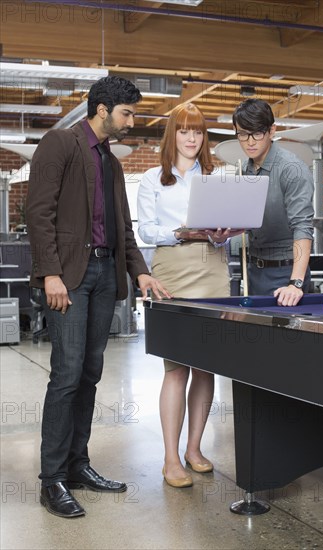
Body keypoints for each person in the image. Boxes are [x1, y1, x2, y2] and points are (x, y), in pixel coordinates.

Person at [26, 76, 170, 518]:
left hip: (107, 273)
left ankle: (77, 465)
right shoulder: (60, 144)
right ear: (103, 108)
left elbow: (123, 227)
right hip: (70, 275)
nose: (132, 121)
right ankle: (52, 480)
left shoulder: (112, 163)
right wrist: (51, 272)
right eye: (127, 113)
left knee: (89, 373)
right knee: (66, 374)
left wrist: (140, 273)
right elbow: (38, 211)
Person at [137, 103, 242, 488]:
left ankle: (194, 449)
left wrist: (224, 232)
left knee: (206, 365)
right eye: (183, 131)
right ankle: (169, 458)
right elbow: (147, 231)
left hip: (213, 268)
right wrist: (182, 232)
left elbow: (240, 225)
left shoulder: (220, 177)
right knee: (176, 366)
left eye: (197, 132)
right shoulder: (152, 179)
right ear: (172, 135)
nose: (191, 138)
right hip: (172, 271)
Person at [233, 99, 314, 304]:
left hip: (286, 275)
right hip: (252, 273)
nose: (250, 141)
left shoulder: (292, 169)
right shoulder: (244, 171)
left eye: (257, 133)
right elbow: (244, 222)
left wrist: (295, 283)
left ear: (272, 131)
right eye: (243, 133)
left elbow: (303, 227)